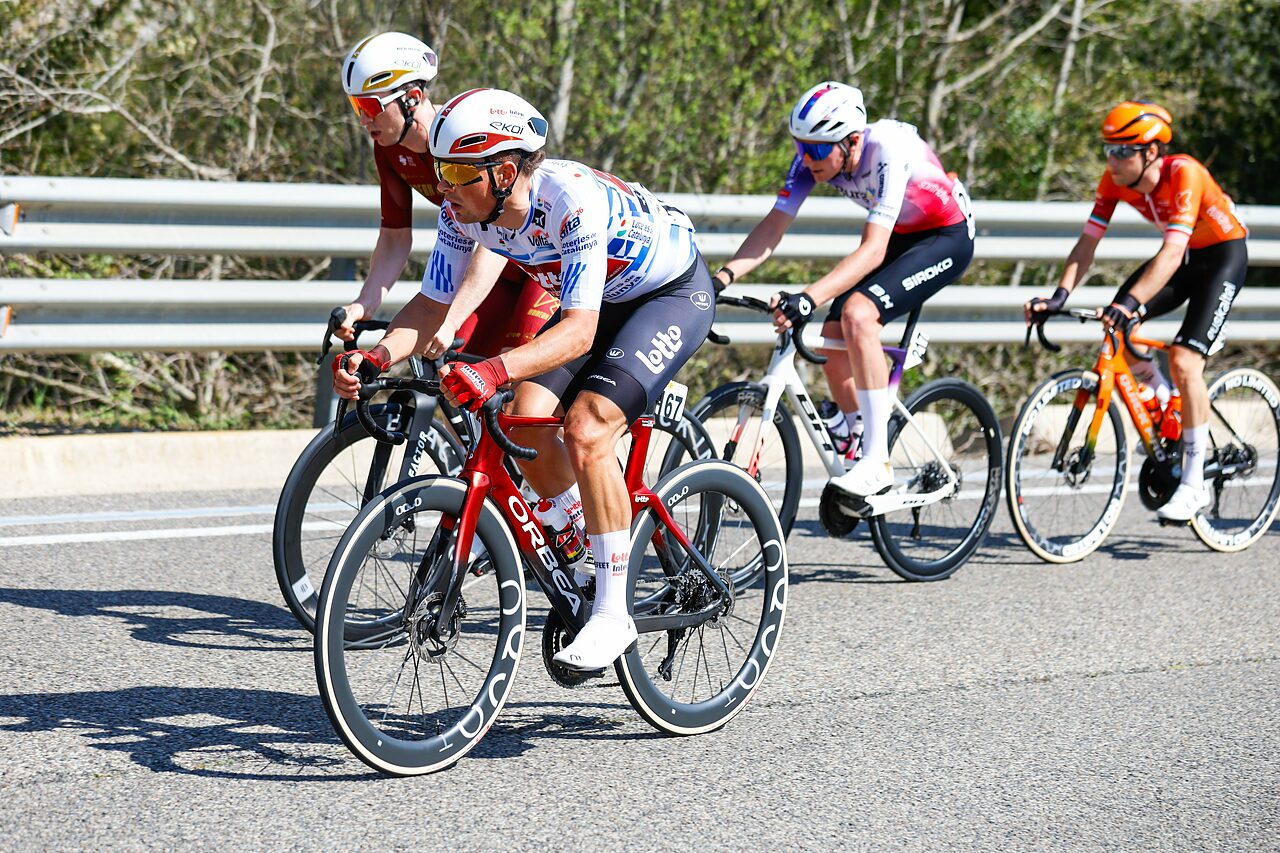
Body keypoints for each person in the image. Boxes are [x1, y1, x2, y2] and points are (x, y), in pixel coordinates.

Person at [334, 88, 716, 670]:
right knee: (525, 420)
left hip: (668, 294)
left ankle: (614, 614)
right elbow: (434, 303)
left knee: (587, 427)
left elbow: (582, 332)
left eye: (459, 172)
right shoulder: (463, 212)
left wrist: (492, 368)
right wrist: (379, 356)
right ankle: (582, 532)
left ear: (506, 171)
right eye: (440, 171)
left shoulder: (571, 202)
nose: (445, 188)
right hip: (600, 298)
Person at [711, 81, 975, 500]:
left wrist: (808, 298)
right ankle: (856, 432)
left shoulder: (887, 149)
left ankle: (877, 463)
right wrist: (721, 277)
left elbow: (872, 251)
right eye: (799, 147)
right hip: (899, 236)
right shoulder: (814, 160)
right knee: (833, 345)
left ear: (852, 141)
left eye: (814, 150)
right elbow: (772, 228)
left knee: (858, 316)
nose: (805, 159)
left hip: (945, 236)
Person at [1026, 101, 1248, 522]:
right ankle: (1165, 402)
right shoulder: (1113, 182)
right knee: (1116, 325)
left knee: (1184, 359)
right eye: (1108, 149)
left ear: (1151, 152)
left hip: (1221, 257)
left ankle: (1194, 482)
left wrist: (1133, 304)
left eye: (1123, 151)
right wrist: (1059, 294)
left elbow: (1171, 251)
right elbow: (1087, 244)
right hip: (1182, 261)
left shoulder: (1184, 173)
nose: (1113, 160)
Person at [335, 32, 555, 357]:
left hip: (539, 266)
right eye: (356, 106)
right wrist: (364, 304)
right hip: (491, 276)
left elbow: (495, 232)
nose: (363, 119)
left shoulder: (461, 141)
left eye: (370, 105)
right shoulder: (388, 149)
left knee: (520, 387)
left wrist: (451, 318)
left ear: (411, 96)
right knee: (453, 378)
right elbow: (395, 238)